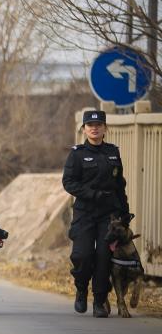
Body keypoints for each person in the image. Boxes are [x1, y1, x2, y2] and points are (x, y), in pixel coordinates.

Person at [62, 110, 130, 318]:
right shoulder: (77, 153)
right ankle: (81, 288)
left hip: (108, 215)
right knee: (82, 255)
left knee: (103, 256)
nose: (94, 128)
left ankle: (100, 300)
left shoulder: (113, 152)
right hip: (85, 212)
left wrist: (124, 213)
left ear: (105, 128)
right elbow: (69, 182)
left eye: (99, 124)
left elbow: (120, 184)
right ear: (84, 129)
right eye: (90, 125)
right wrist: (93, 194)